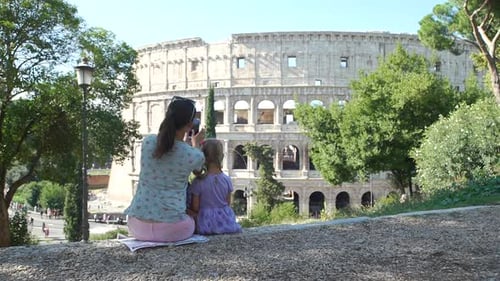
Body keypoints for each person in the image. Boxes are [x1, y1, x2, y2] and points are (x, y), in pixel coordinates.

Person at [124, 96, 205, 242]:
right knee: (191, 221)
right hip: (172, 228)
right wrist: (196, 144)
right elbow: (198, 171)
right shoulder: (193, 155)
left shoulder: (147, 142)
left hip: (136, 225)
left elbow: (168, 151)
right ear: (190, 124)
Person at [187, 139, 242, 235]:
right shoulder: (227, 179)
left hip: (205, 223)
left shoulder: (199, 181)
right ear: (222, 157)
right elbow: (228, 203)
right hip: (226, 222)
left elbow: (195, 208)